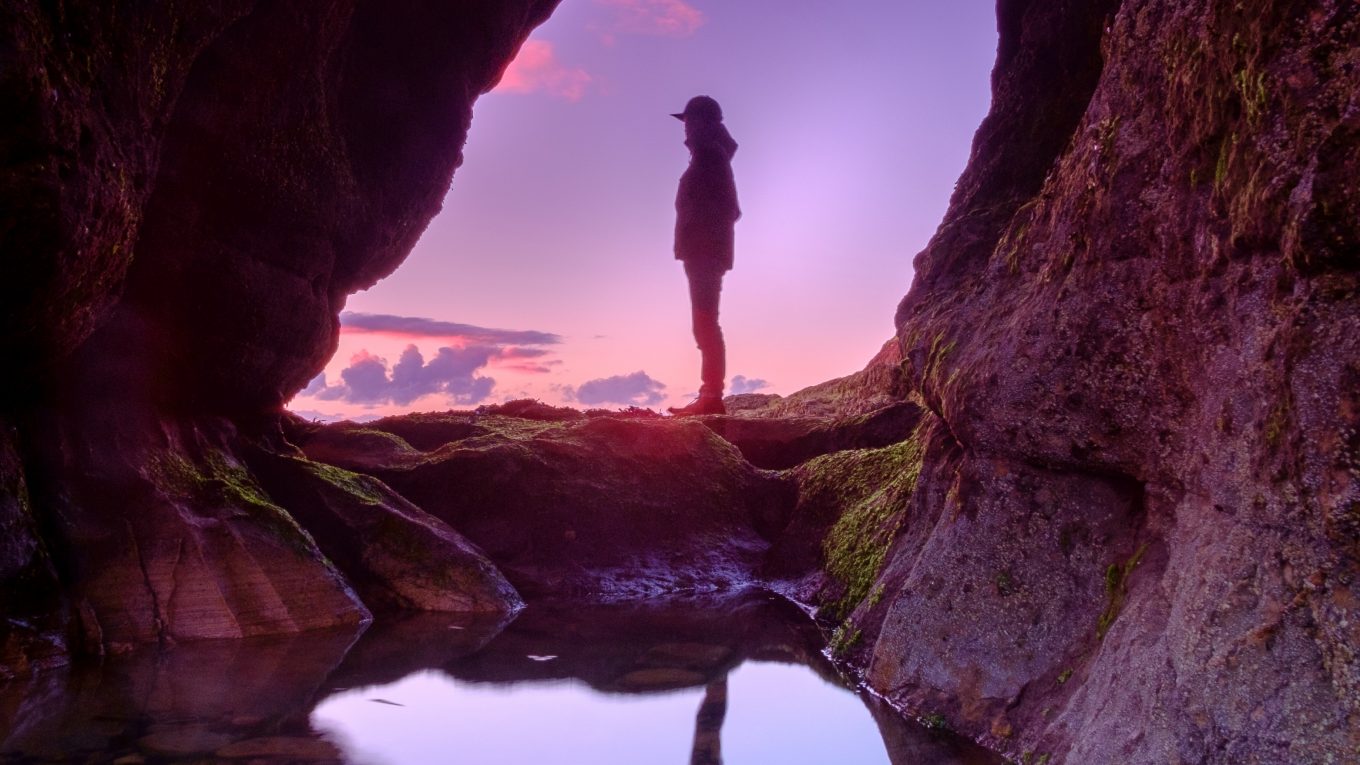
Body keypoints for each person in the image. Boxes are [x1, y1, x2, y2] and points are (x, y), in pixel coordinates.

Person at [667, 95, 740, 417]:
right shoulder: (710, 155)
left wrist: (700, 239)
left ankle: (711, 397)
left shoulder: (710, 156)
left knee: (705, 323)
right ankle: (710, 395)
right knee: (705, 322)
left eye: (688, 123)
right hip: (703, 251)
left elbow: (729, 208)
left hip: (704, 252)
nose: (684, 131)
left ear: (701, 124)